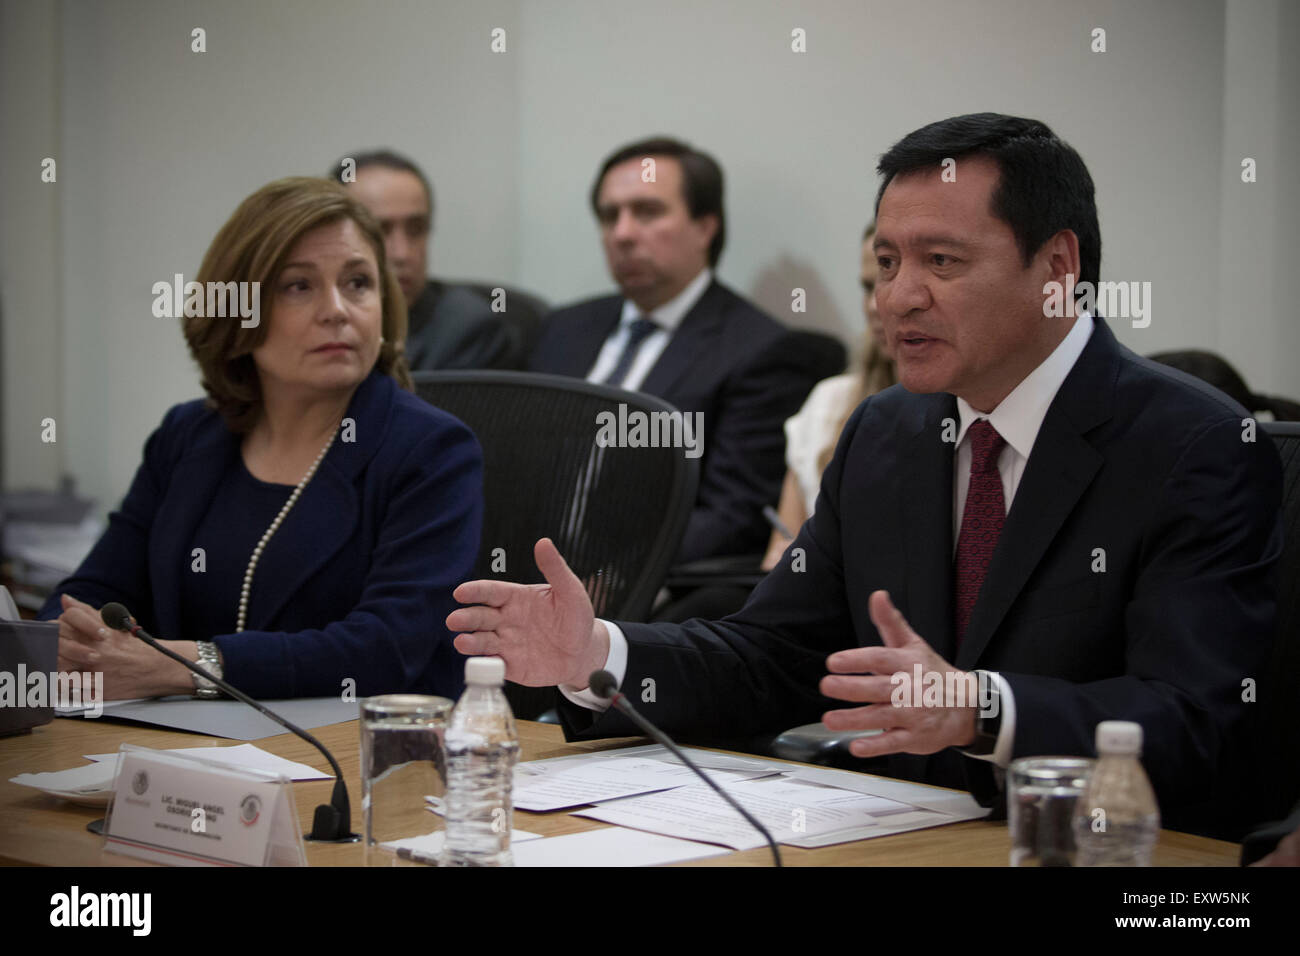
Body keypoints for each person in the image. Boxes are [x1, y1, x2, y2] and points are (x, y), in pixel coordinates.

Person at [449, 114, 1283, 830]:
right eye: (886, 263)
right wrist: (596, 651)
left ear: (1058, 267)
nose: (898, 298)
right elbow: (777, 656)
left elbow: (1201, 720)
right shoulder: (890, 429)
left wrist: (982, 708)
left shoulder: (1192, 445)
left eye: (942, 263)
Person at [43, 177, 483, 701]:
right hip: (182, 748)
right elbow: (96, 591)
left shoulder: (431, 452)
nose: (337, 310)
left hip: (367, 756)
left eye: (359, 283)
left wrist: (188, 666)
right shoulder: (187, 438)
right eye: (299, 286)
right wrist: (63, 641)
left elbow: (383, 649)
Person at [528, 137, 829, 563]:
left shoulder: (764, 352)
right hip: (520, 568)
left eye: (647, 212)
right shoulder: (562, 329)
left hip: (645, 593)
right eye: (610, 215)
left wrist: (613, 575)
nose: (623, 233)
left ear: (706, 227)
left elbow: (732, 517)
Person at [762, 221, 897, 572]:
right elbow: (780, 548)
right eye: (868, 287)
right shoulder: (829, 402)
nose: (876, 304)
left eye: (892, 280)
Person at [334, 150, 531, 371]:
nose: (403, 254)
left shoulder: (468, 330)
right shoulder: (315, 327)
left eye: (416, 229)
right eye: (379, 230)